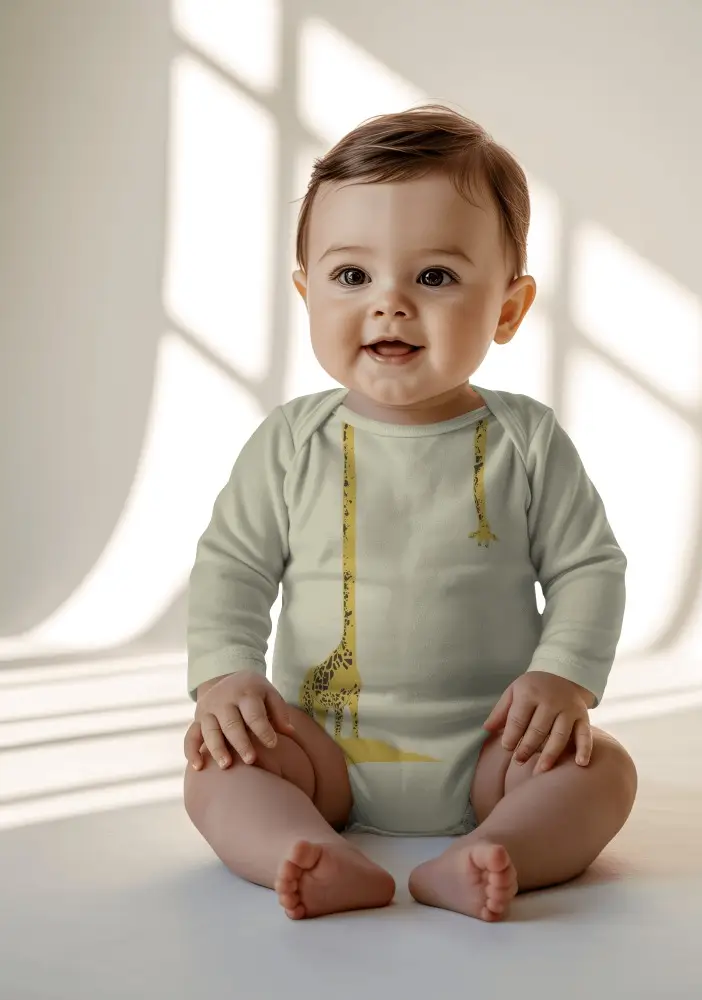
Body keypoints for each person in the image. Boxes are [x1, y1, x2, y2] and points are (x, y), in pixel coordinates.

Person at [182, 104, 637, 922]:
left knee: (604, 773)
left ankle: (495, 852)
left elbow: (588, 568)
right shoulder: (292, 441)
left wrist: (563, 678)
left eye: (434, 278)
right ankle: (300, 847)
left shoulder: (526, 440)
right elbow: (233, 568)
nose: (389, 304)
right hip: (319, 749)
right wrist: (226, 677)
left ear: (507, 308)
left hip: (498, 748)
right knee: (217, 769)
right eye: (352, 277)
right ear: (307, 294)